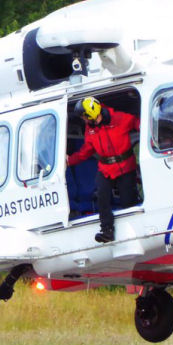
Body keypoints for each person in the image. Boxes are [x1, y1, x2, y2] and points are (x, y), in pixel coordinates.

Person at [67, 97, 140, 243]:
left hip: (125, 166)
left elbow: (138, 124)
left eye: (83, 117)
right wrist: (70, 160)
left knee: (128, 200)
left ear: (89, 115)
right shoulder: (90, 129)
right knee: (102, 196)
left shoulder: (120, 118)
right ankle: (107, 230)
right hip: (106, 167)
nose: (83, 120)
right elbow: (87, 150)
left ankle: (135, 231)